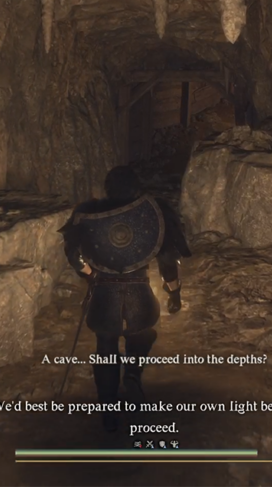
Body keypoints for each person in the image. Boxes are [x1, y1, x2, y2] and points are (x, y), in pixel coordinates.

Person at [59, 166, 191, 432]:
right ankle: (132, 374)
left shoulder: (88, 212)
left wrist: (90, 275)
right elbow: (167, 258)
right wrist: (174, 291)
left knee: (105, 346)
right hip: (138, 292)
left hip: (104, 293)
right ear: (136, 187)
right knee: (142, 334)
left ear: (108, 188)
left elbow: (74, 256)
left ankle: (108, 412)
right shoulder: (152, 212)